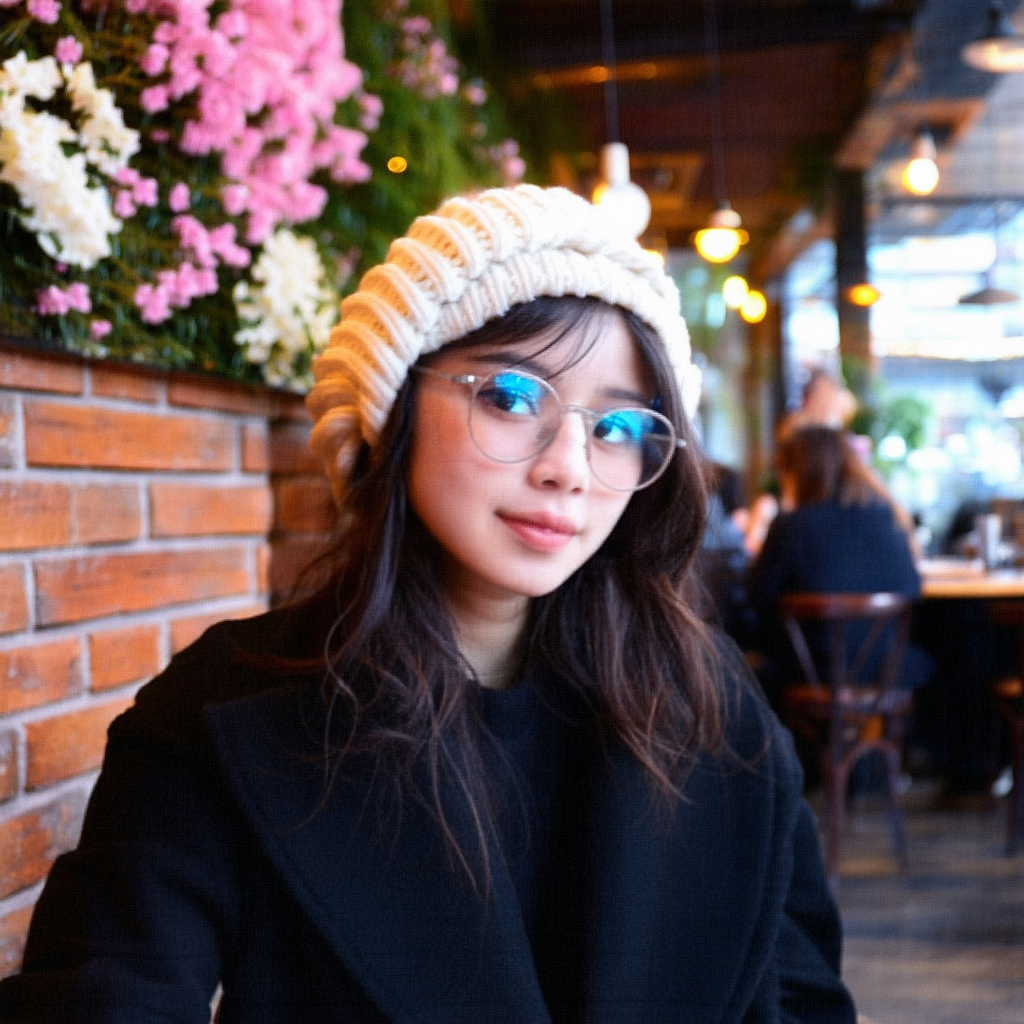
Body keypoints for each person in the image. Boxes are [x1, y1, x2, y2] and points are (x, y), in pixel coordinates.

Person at [0, 185, 855, 1023]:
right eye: (512, 397)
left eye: (618, 428)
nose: (569, 464)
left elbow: (804, 997)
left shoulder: (713, 715)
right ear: (394, 405)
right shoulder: (226, 712)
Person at [747, 424, 929, 713]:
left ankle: (799, 754)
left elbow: (759, 599)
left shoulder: (790, 526)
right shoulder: (889, 518)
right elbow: (913, 589)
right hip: (886, 672)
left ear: (797, 471)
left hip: (811, 674)